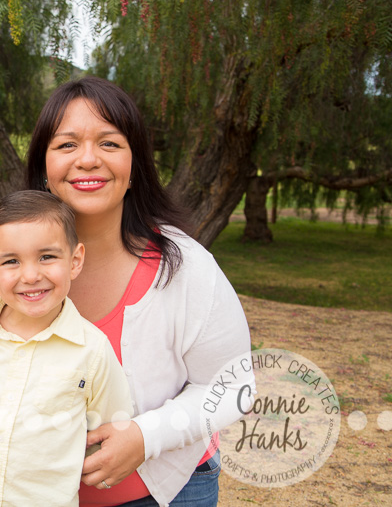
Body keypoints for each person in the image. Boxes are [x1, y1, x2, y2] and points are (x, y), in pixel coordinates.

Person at [25, 76, 255, 507]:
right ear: (43, 169)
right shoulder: (10, 265)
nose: (88, 159)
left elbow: (233, 385)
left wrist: (145, 437)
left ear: (135, 168)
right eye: (67, 144)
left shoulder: (184, 266)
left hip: (168, 492)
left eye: (109, 143)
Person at [0, 190, 134, 506]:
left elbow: (110, 424)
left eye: (47, 257)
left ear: (75, 260)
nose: (31, 276)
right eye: (11, 261)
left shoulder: (91, 349)